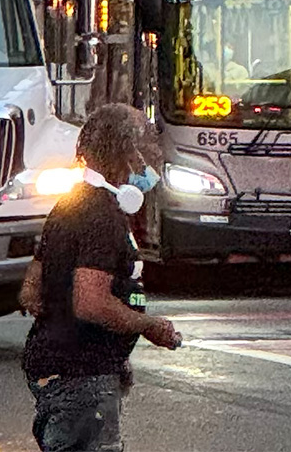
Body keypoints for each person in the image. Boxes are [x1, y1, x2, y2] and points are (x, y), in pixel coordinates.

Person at [19, 104, 181, 452]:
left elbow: (31, 292)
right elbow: (91, 301)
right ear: (123, 154)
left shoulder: (68, 206)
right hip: (84, 379)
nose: (145, 166)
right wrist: (147, 325)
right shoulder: (102, 215)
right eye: (141, 153)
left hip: (61, 372)